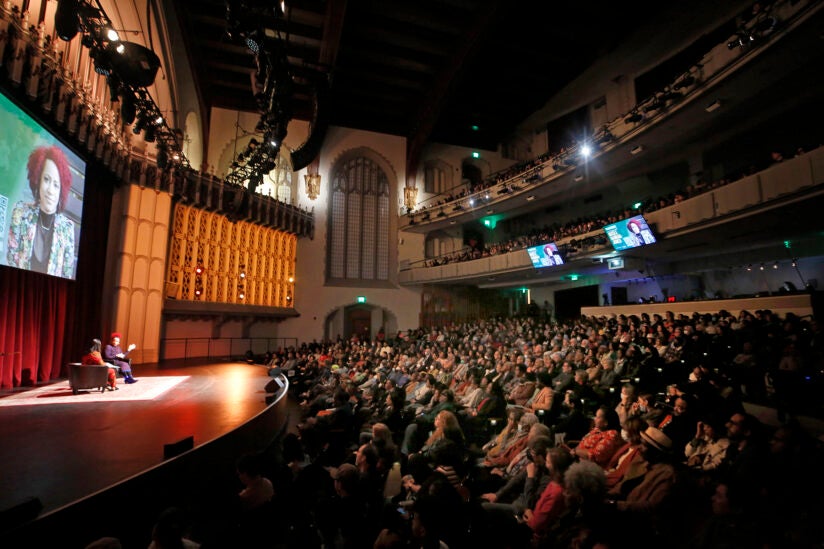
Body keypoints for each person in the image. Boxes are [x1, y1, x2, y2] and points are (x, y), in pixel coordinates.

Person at [6, 145, 76, 276]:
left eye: (56, 185)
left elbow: (66, 274)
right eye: (46, 179)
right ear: (38, 180)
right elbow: (11, 261)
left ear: (61, 191)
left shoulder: (67, 229)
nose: (50, 190)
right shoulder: (20, 213)